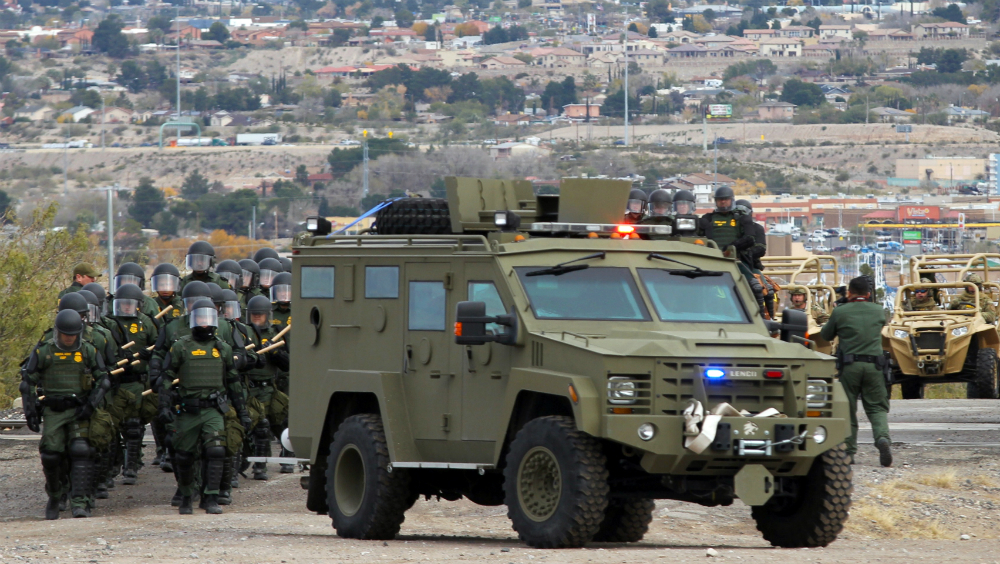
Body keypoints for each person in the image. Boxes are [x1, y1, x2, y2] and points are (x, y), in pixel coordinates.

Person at [159, 299, 250, 515]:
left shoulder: (223, 348)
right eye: (200, 318)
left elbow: (234, 382)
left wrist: (242, 411)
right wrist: (163, 406)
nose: (204, 323)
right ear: (192, 320)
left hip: (213, 409)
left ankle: (211, 497)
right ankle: (187, 494)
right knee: (184, 455)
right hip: (187, 409)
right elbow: (166, 377)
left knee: (216, 450)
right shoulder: (181, 346)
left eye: (208, 319)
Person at [21, 309, 110, 519]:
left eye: (73, 335)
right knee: (51, 454)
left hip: (79, 409)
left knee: (81, 450)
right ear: (58, 333)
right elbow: (27, 382)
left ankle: (80, 502)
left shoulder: (88, 350)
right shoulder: (44, 352)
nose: (69, 339)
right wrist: (30, 411)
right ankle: (55, 495)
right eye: (65, 334)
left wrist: (91, 404)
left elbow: (104, 380)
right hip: (54, 410)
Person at [819, 276, 892, 467]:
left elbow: (826, 335)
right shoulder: (878, 311)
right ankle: (882, 439)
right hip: (875, 367)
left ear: (849, 292)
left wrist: (839, 308)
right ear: (868, 294)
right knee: (876, 407)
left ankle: (849, 452)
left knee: (848, 409)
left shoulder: (841, 312)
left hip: (850, 367)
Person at [102, 283, 159, 485]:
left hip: (137, 382)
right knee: (111, 428)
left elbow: (159, 346)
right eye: (122, 304)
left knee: (133, 426)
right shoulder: (108, 324)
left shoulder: (146, 323)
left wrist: (149, 354)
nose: (126, 308)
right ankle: (111, 467)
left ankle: (131, 467)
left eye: (130, 304)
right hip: (117, 382)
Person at [244, 295, 290, 481]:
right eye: (253, 315)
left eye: (260, 315)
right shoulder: (243, 333)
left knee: (279, 422)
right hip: (249, 388)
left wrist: (275, 351)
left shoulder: (275, 334)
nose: (257, 318)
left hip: (269, 388)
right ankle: (251, 464)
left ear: (267, 316)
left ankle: (284, 457)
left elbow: (287, 364)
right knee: (253, 426)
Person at [698, 186, 757, 258]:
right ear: (716, 201)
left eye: (726, 199)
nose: (723, 201)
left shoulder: (742, 217)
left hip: (736, 258)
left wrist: (732, 247)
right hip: (712, 257)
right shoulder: (708, 218)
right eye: (720, 199)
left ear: (731, 200)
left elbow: (750, 239)